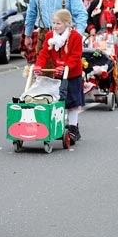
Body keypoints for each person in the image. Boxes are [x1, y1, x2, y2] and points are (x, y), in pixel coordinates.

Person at [32, 9, 83, 143]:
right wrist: (38, 66)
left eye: (58, 23)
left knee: (72, 102)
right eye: (54, 23)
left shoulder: (75, 37)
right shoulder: (50, 36)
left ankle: (73, 127)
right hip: (57, 72)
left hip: (72, 73)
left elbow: (76, 56)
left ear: (67, 23)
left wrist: (66, 66)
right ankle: (57, 125)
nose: (55, 26)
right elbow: (44, 53)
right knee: (57, 99)